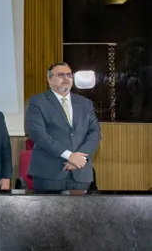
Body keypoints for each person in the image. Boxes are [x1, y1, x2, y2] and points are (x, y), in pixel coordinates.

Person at [24, 62, 101, 191]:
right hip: (49, 174)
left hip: (80, 173)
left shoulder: (85, 104)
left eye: (69, 75)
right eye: (61, 75)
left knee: (79, 211)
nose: (66, 78)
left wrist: (80, 158)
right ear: (49, 80)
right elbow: (38, 134)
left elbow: (95, 133)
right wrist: (68, 155)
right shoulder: (37, 102)